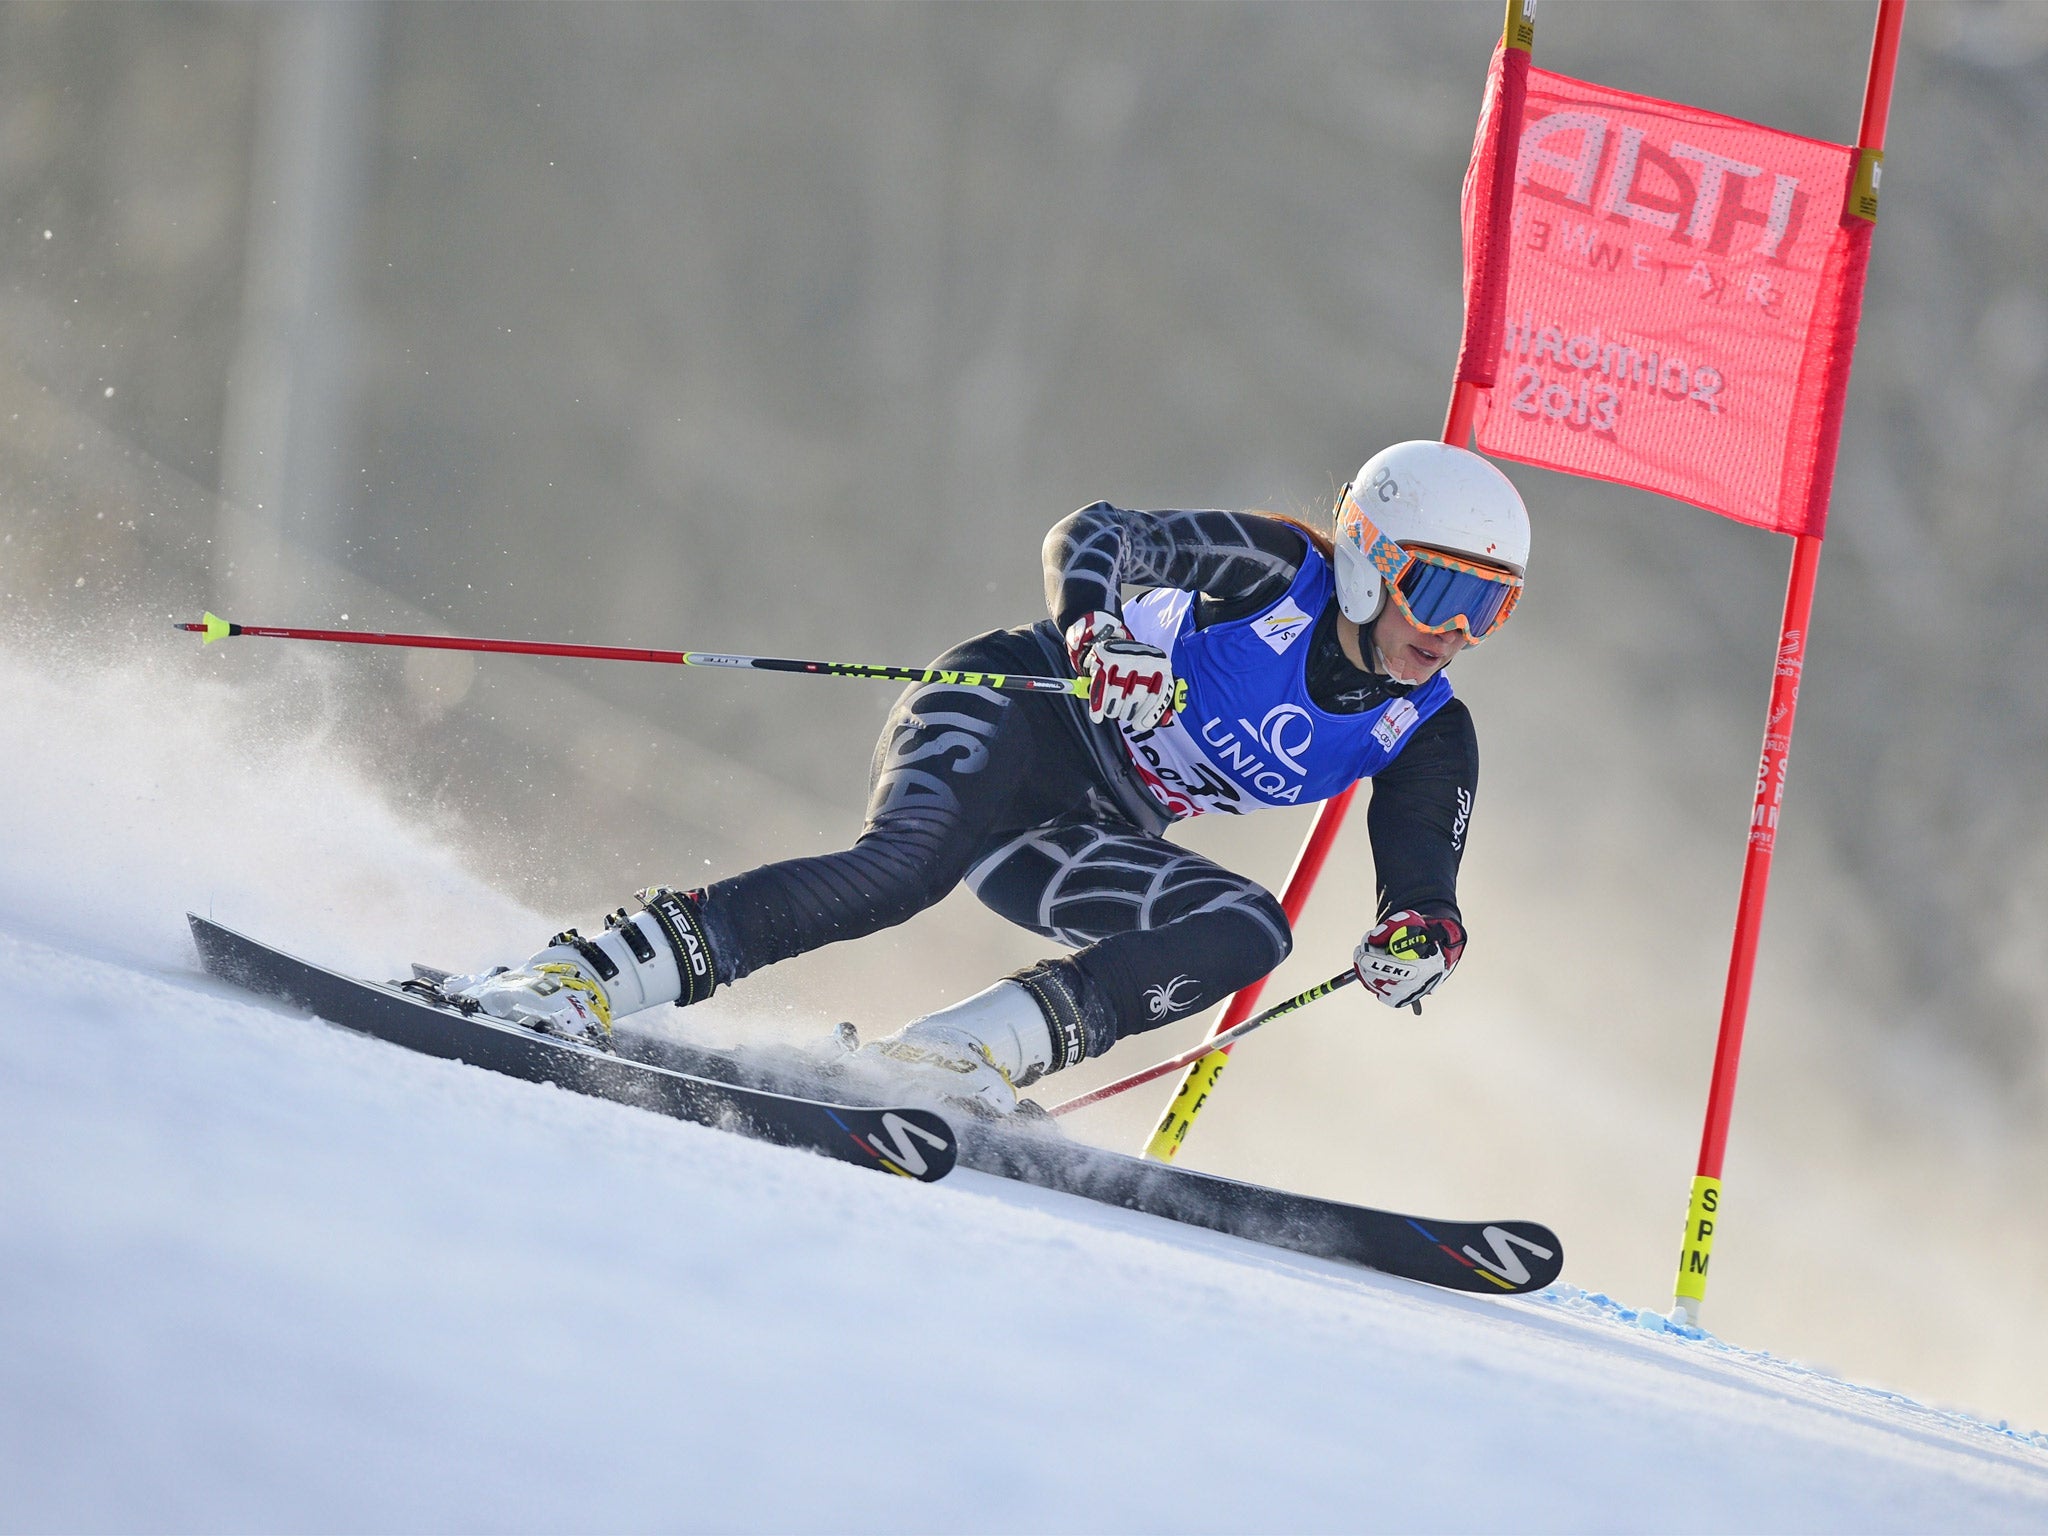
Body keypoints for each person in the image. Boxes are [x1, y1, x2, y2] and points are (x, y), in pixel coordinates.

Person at [445, 440, 1530, 1114]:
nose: (1451, 632)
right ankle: (574, 976)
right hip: (1015, 703)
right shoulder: (1268, 568)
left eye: (1488, 607)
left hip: (1084, 829)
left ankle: (947, 1061)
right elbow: (1093, 532)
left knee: (1251, 930)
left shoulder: (1426, 730)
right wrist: (1103, 637)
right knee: (899, 873)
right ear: (1362, 555)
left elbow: (1421, 890)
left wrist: (1420, 936)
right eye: (1436, 590)